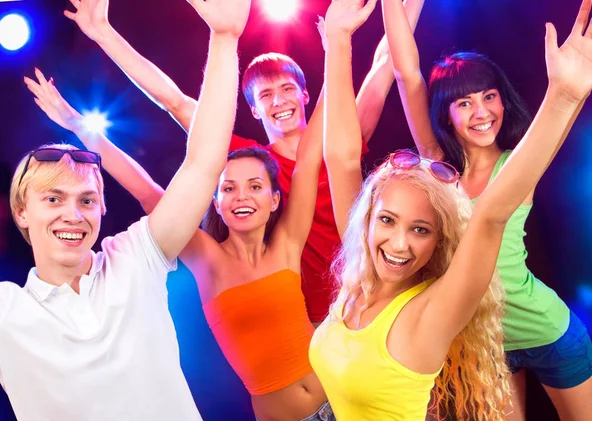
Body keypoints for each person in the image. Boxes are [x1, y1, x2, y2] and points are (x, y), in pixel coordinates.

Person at [309, 0, 592, 420]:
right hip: (484, 341)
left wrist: (567, 94)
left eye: (489, 97)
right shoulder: (437, 177)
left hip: (546, 329)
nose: (480, 111)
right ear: (446, 112)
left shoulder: (517, 166)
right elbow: (407, 75)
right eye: (464, 102)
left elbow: (492, 213)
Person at [27, 22, 329, 421]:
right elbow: (146, 189)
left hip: (341, 399)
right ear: (215, 203)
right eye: (228, 189)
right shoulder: (206, 259)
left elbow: (309, 159)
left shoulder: (289, 242)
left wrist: (337, 44)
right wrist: (78, 126)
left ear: (275, 200)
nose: (241, 196)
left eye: (255, 187)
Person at [61, 0, 424, 324]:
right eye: (266, 94)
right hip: (315, 315)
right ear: (253, 108)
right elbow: (173, 100)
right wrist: (104, 35)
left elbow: (385, 63)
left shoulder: (345, 131)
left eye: (286, 89)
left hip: (376, 287)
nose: (279, 100)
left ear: (305, 93)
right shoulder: (252, 164)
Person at [3, 0, 251, 419]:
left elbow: (205, 163)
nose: (73, 213)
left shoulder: (135, 258)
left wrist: (225, 40)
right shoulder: (9, 311)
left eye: (86, 200)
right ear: (21, 212)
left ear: (101, 210)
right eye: (52, 199)